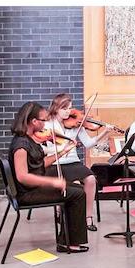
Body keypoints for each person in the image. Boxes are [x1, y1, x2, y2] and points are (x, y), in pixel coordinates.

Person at [7, 101, 88, 253]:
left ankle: (67, 239)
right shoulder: (21, 145)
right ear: (34, 121)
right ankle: (69, 243)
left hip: (33, 189)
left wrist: (64, 151)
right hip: (27, 194)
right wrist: (52, 181)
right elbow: (22, 176)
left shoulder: (28, 139)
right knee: (77, 194)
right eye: (43, 120)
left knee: (76, 188)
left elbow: (40, 164)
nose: (46, 123)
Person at [44, 93, 111, 232]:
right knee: (70, 184)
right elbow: (45, 148)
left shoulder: (76, 124)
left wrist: (104, 132)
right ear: (56, 108)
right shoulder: (47, 124)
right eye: (65, 108)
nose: (68, 111)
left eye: (69, 108)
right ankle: (59, 210)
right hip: (55, 162)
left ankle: (88, 217)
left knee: (91, 179)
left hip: (73, 162)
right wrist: (62, 147)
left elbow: (88, 144)